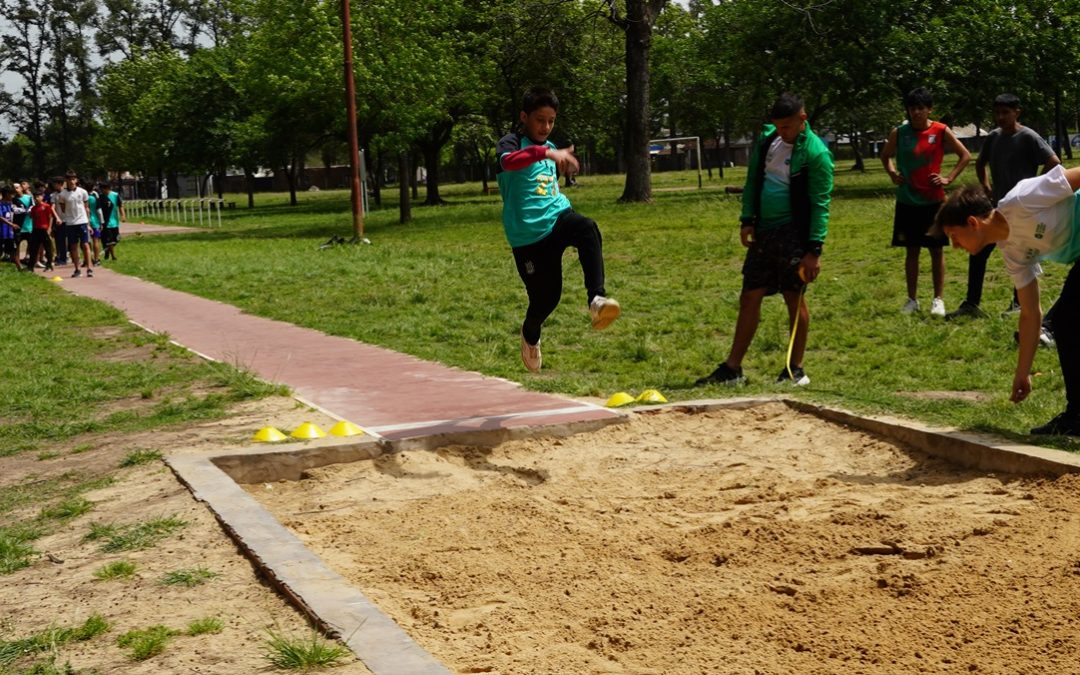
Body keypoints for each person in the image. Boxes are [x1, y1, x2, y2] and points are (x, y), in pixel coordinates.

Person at [696, 93, 834, 387]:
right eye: (777, 126)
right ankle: (733, 369)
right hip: (764, 232)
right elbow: (753, 182)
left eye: (787, 126)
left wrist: (814, 250)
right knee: (749, 295)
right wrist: (747, 220)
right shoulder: (767, 140)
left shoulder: (816, 154)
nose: (781, 131)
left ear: (802, 119)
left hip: (793, 234)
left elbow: (821, 203)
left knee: (793, 298)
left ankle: (794, 369)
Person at [933, 165, 1080, 435]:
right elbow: (1030, 314)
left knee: (1068, 319)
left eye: (954, 237)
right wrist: (1022, 372)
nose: (955, 246)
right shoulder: (1012, 252)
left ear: (973, 223)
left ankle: (1077, 416)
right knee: (1066, 320)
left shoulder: (1022, 199)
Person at [495, 86, 620, 372]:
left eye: (551, 121)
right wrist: (545, 154)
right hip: (528, 238)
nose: (546, 127)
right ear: (524, 117)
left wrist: (559, 163)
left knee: (587, 228)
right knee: (547, 299)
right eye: (540, 120)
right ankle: (530, 333)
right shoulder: (511, 143)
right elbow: (510, 163)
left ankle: (597, 299)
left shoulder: (551, 149)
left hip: (558, 217)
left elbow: (545, 183)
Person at [948, 93, 1060, 321]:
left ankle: (1019, 304)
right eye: (997, 113)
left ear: (1017, 112)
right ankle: (971, 303)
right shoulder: (994, 137)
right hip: (996, 209)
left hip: (1022, 210)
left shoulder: (1028, 136)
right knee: (977, 251)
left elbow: (1054, 162)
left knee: (1023, 255)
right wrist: (986, 187)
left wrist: (1036, 187)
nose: (1001, 117)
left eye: (1005, 113)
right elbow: (980, 163)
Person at [881, 87, 971, 316]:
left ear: (929, 109)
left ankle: (937, 300)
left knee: (936, 251)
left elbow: (965, 155)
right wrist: (892, 173)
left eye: (921, 108)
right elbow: (885, 156)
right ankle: (912, 300)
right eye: (912, 108)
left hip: (933, 201)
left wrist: (948, 178)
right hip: (907, 201)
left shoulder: (940, 130)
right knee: (911, 251)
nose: (916, 113)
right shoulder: (899, 133)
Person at [54, 171, 93, 277]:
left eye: (73, 179)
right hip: (70, 222)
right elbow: (63, 209)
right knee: (73, 246)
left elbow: (86, 208)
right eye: (69, 179)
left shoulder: (83, 192)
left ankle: (89, 268)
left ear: (76, 180)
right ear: (66, 181)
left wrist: (88, 223)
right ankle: (77, 269)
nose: (71, 181)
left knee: (85, 244)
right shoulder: (62, 195)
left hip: (82, 221)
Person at [26, 190, 57, 273]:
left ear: (41, 197)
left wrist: (49, 228)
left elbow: (51, 217)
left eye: (38, 197)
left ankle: (49, 264)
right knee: (33, 248)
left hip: (44, 229)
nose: (36, 199)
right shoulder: (33, 208)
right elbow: (33, 219)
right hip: (36, 230)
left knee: (47, 248)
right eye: (35, 197)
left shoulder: (46, 206)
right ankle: (30, 266)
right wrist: (33, 229)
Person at [99, 182, 124, 260]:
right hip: (106, 222)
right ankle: (113, 256)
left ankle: (107, 250)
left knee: (116, 239)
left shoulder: (115, 195)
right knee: (109, 240)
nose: (102, 191)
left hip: (114, 221)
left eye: (103, 189)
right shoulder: (101, 197)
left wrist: (123, 215)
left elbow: (120, 206)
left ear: (108, 189)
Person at [46, 177, 66, 265]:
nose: (54, 185)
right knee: (59, 240)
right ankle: (61, 257)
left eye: (55, 183)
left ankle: (71, 256)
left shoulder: (67, 193)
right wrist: (57, 218)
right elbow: (52, 208)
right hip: (59, 221)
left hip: (69, 220)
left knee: (72, 241)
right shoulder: (53, 195)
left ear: (60, 184)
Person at [0, 187, 21, 270]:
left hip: (9, 232)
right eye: (11, 194)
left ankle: (19, 268)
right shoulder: (0, 204)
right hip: (1, 231)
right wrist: (11, 224)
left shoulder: (10, 204)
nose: (12, 196)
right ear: (6, 194)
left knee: (13, 250)